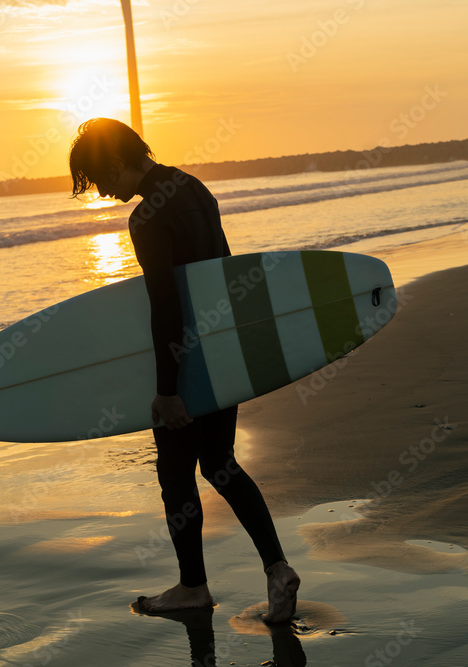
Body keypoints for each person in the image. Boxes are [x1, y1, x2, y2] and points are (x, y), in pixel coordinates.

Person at [68, 118, 300, 622]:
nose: (103, 193)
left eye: (100, 180)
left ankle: (193, 587)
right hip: (223, 350)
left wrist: (167, 391)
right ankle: (277, 568)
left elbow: (166, 305)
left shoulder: (147, 218)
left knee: (175, 474)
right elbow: (227, 271)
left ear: (114, 162)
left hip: (188, 360)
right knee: (220, 463)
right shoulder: (193, 187)